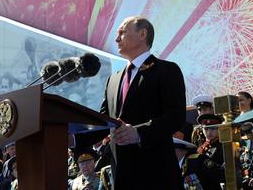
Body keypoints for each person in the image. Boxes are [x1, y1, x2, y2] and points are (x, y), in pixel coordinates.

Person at [74, 16, 186, 190]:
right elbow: (104, 122)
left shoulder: (166, 70)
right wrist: (71, 138)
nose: (117, 38)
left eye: (122, 32)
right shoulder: (114, 79)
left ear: (142, 34)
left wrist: (138, 133)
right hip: (121, 174)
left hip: (155, 173)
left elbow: (176, 116)